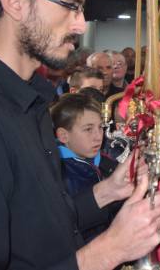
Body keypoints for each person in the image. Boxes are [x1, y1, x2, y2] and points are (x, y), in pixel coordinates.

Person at [0, 0, 160, 269]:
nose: (80, 25)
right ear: (15, 2)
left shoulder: (32, 101)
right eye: (70, 6)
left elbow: (37, 226)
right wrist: (108, 251)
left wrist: (107, 191)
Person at [52, 93, 119, 242]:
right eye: (88, 129)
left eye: (100, 127)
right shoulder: (60, 174)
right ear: (63, 136)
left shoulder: (106, 161)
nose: (98, 136)